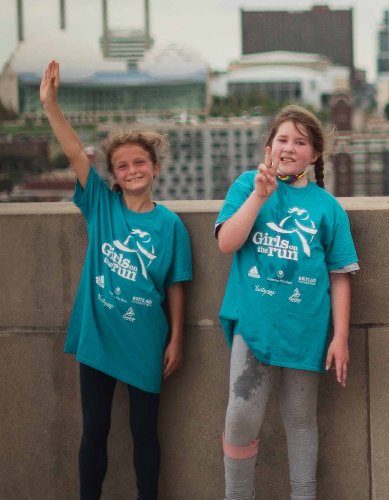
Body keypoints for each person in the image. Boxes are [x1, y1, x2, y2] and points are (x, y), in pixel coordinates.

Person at [43, 59, 193, 500]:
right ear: (114, 174)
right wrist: (51, 104)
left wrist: (177, 339)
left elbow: (176, 285)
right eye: (122, 166)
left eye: (139, 163)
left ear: (154, 168)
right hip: (99, 336)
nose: (131, 170)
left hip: (146, 339)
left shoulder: (171, 226)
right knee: (95, 432)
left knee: (145, 435)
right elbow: (74, 153)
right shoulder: (101, 207)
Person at [215, 105, 358, 500]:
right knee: (241, 415)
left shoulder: (327, 207)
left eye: (300, 142)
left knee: (300, 420)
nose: (289, 147)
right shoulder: (247, 185)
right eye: (282, 139)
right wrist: (260, 197)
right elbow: (228, 242)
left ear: (314, 155)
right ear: (268, 147)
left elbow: (340, 275)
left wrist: (341, 336)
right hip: (254, 323)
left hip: (306, 327)